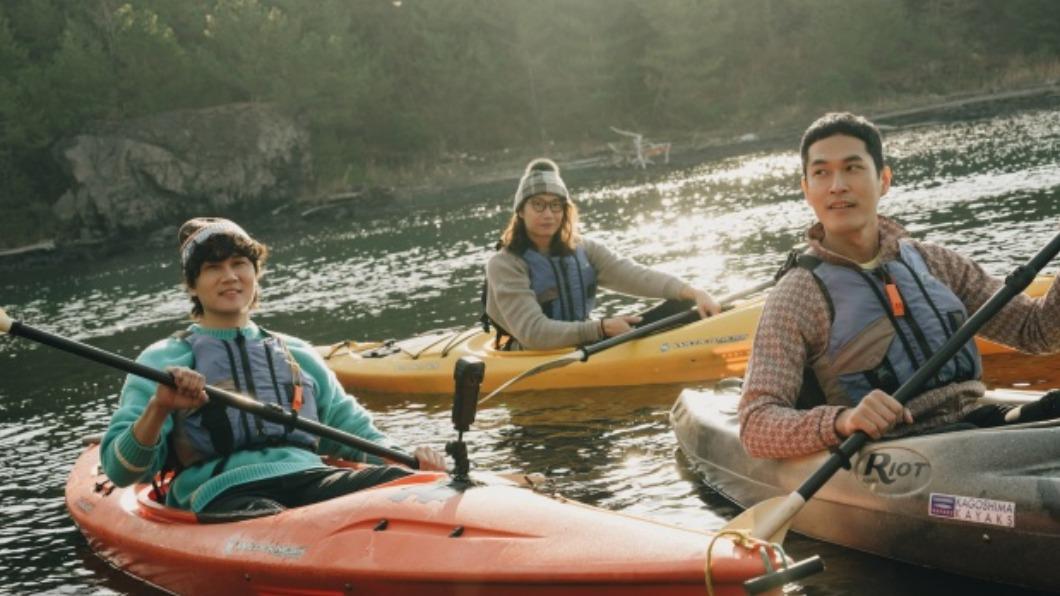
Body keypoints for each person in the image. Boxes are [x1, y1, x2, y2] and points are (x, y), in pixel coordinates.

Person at [738, 112, 1060, 459]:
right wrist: (842, 421)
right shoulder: (797, 295)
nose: (837, 185)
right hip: (901, 453)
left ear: (884, 180)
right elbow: (756, 424)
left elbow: (1037, 331)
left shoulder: (936, 262)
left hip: (976, 424)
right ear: (806, 189)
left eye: (853, 168)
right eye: (821, 173)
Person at [101, 217, 446, 515]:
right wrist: (160, 406)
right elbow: (121, 471)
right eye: (213, 268)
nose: (229, 276)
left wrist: (408, 460)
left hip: (309, 479)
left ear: (255, 272)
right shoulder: (163, 360)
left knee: (408, 485)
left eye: (239, 263)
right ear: (192, 284)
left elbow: (357, 434)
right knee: (269, 517)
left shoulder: (299, 354)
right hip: (220, 493)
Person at [483, 158, 721, 351]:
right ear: (521, 212)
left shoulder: (585, 249)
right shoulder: (504, 264)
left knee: (684, 304)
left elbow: (635, 276)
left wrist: (694, 291)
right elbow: (533, 333)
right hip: (532, 354)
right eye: (538, 204)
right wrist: (601, 329)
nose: (548, 214)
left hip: (586, 342)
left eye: (556, 205)